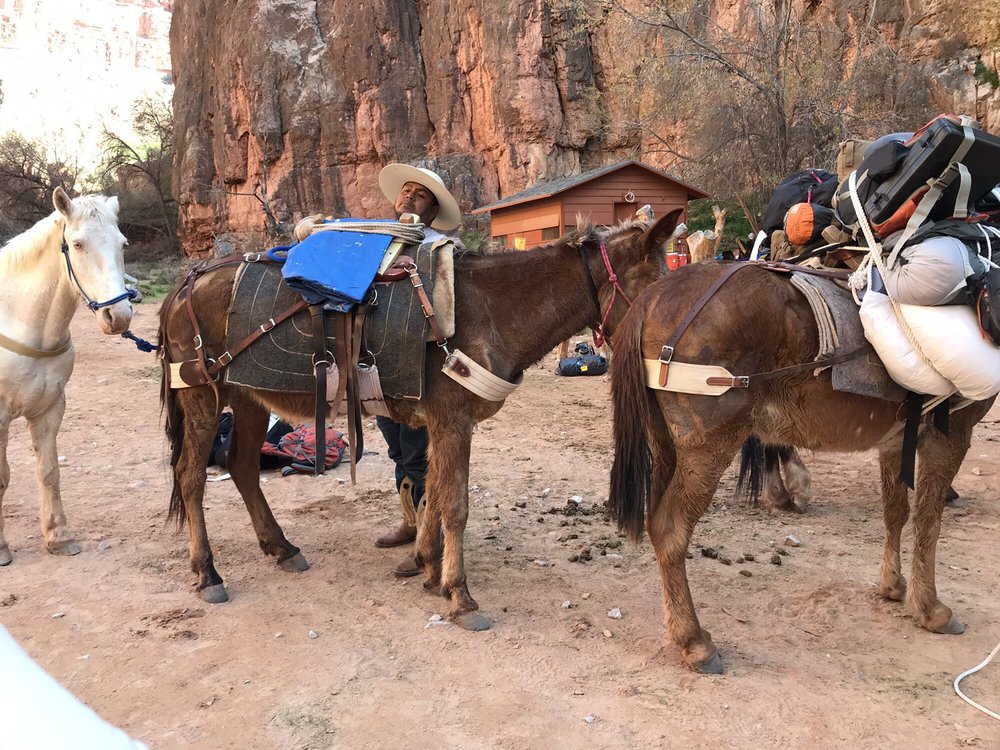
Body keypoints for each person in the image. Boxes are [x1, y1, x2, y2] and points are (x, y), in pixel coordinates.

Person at [372, 164, 463, 577]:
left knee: (419, 454)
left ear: (432, 211)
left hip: (419, 368)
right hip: (379, 365)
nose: (409, 195)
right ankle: (411, 522)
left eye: (420, 194)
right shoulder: (378, 241)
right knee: (397, 449)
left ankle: (431, 537)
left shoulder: (441, 249)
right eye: (406, 190)